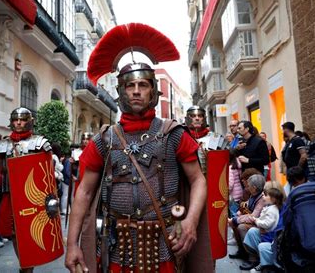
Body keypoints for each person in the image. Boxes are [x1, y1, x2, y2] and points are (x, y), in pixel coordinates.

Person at [65, 23, 211, 273]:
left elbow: (198, 180)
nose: (136, 91)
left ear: (153, 91)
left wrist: (190, 222)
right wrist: (72, 244)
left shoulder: (172, 134)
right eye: (130, 86)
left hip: (164, 242)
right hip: (116, 246)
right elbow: (84, 192)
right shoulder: (104, 139)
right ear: (120, 91)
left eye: (143, 85)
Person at [0, 107, 52, 273]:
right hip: (10, 194)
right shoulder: (2, 144)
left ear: (30, 122)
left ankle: (27, 267)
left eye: (23, 119)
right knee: (14, 234)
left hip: (32, 196)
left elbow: (47, 172)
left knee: (30, 233)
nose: (18, 122)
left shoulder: (40, 142)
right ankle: (25, 265)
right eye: (15, 119)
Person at [241, 186, 284, 271]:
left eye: (265, 195)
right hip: (267, 232)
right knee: (252, 231)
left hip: (270, 235)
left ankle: (264, 265)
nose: (263, 196)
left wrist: (257, 221)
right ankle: (257, 258)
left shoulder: (273, 210)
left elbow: (267, 224)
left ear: (273, 199)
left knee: (262, 245)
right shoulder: (270, 207)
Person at [228, 174, 266, 261]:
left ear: (254, 187)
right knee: (234, 224)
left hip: (261, 225)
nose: (247, 187)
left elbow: (253, 217)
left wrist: (236, 219)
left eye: (249, 186)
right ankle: (242, 251)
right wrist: (238, 214)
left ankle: (252, 257)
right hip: (255, 221)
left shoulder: (262, 199)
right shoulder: (254, 194)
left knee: (241, 227)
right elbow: (247, 204)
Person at [185, 105, 226, 175]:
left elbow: (227, 159)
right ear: (187, 119)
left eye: (200, 116)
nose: (197, 118)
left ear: (204, 118)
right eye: (193, 116)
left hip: (211, 180)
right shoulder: (182, 138)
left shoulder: (215, 138)